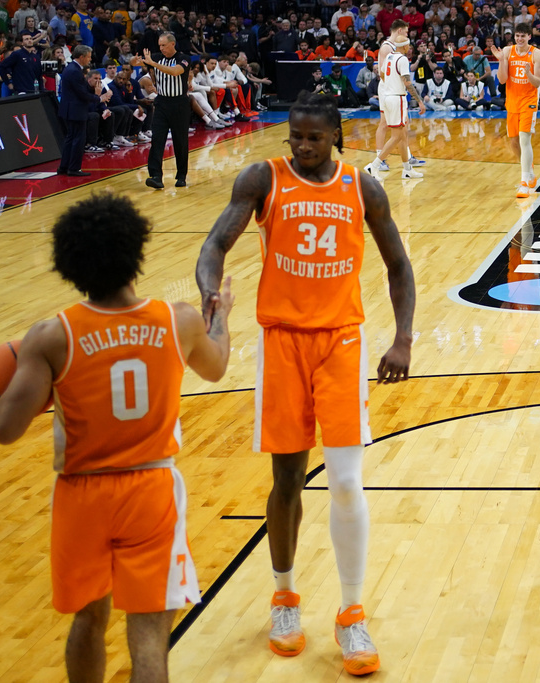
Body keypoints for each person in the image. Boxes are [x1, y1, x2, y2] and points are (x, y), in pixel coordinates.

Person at [0, 193, 233, 683]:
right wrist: (221, 315)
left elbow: (4, 429)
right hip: (150, 490)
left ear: (69, 264)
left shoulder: (52, 336)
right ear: (137, 251)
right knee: (150, 637)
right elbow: (217, 366)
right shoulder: (178, 320)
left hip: (82, 495)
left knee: (89, 619)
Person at [195, 91, 415, 679]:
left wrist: (403, 339)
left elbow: (398, 264)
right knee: (287, 477)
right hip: (283, 342)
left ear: (336, 135)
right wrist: (210, 293)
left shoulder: (362, 187)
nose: (302, 145)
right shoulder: (261, 179)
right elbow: (215, 244)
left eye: (314, 137)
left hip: (342, 340)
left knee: (344, 480)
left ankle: (350, 611)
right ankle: (285, 597)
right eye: (295, 135)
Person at [491, 20, 540, 198]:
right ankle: (529, 171)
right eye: (517, 36)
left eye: (523, 36)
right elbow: (502, 80)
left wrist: (528, 72)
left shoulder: (537, 54)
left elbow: (537, 83)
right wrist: (500, 61)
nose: (520, 38)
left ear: (529, 36)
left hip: (529, 100)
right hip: (512, 101)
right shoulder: (507, 51)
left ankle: (524, 182)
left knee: (524, 138)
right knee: (514, 141)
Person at [132, 32, 190, 189]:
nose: (161, 48)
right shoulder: (156, 57)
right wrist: (135, 60)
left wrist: (153, 64)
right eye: (159, 45)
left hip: (179, 104)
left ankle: (182, 175)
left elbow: (175, 71)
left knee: (180, 141)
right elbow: (134, 63)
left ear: (172, 44)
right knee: (157, 139)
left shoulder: (183, 58)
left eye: (164, 45)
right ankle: (156, 176)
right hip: (162, 103)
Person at [363, 37, 427, 180]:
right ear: (404, 46)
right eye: (409, 46)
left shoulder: (389, 57)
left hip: (387, 96)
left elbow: (382, 75)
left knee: (403, 134)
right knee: (397, 136)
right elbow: (407, 82)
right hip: (396, 97)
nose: (410, 48)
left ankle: (407, 169)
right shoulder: (402, 60)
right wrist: (420, 101)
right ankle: (374, 166)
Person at [58, 44, 107, 176]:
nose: (90, 59)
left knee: (71, 138)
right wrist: (99, 98)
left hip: (71, 109)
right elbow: (82, 94)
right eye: (89, 57)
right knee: (78, 139)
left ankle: (64, 167)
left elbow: (82, 90)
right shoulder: (74, 71)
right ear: (82, 57)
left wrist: (93, 91)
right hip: (75, 110)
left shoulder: (72, 69)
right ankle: (73, 168)